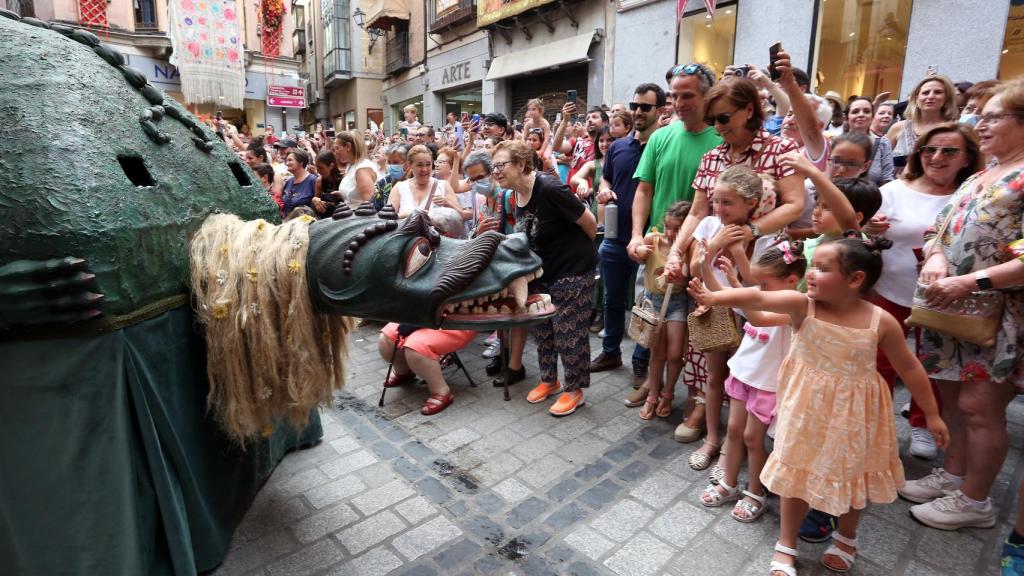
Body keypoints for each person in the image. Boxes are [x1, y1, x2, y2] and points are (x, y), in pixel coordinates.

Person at [688, 235, 947, 576]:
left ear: (855, 279)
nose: (810, 274)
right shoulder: (802, 306)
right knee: (795, 474)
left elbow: (910, 367)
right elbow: (756, 296)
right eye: (813, 266)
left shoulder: (879, 321)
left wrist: (931, 414)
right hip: (805, 409)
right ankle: (786, 545)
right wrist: (715, 295)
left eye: (823, 269)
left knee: (851, 476)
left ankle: (846, 538)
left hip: (856, 413)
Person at [901, 80, 1024, 531]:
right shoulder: (982, 174)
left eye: (994, 117)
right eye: (982, 115)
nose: (982, 123)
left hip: (995, 314)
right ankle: (953, 475)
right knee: (950, 397)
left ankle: (976, 500)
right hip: (945, 308)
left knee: (979, 407)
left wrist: (970, 280)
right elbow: (941, 229)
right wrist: (935, 256)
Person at [867, 123, 984, 459]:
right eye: (929, 150)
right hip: (889, 290)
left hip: (942, 297)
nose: (936, 157)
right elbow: (866, 235)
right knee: (879, 362)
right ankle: (873, 425)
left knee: (931, 364)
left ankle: (922, 424)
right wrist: (870, 229)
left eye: (949, 151)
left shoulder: (971, 194)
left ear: (966, 157)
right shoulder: (893, 190)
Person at [628, 64, 722, 403]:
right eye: (674, 96)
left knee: (693, 333)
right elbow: (644, 191)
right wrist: (637, 235)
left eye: (688, 95)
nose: (679, 103)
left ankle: (690, 397)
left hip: (700, 255)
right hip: (657, 249)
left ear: (707, 96)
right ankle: (651, 387)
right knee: (650, 325)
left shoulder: (721, 140)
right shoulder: (660, 137)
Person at [697, 237, 806, 525]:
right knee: (734, 430)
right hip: (745, 371)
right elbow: (733, 299)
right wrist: (716, 272)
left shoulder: (794, 307)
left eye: (765, 284)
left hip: (768, 381)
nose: (760, 289)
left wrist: (735, 288)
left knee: (752, 438)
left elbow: (756, 316)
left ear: (792, 280)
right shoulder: (764, 293)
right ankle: (730, 483)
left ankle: (756, 491)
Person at [492, 140, 598, 416]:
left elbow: (590, 224)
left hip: (573, 270)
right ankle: (550, 380)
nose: (496, 172)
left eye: (501, 165)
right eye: (494, 167)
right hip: (541, 271)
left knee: (568, 332)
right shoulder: (514, 194)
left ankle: (575, 390)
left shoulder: (551, 188)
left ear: (522, 164)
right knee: (542, 328)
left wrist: (574, 257)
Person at [685, 165, 778, 473]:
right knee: (714, 379)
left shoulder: (764, 236)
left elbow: (758, 285)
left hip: (748, 319)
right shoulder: (710, 225)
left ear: (751, 203)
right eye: (717, 201)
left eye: (728, 203)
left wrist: (737, 250)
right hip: (715, 312)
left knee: (740, 384)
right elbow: (693, 270)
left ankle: (730, 446)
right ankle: (712, 439)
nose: (720, 209)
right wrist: (713, 245)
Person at [589, 83, 668, 377]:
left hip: (649, 243)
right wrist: (604, 191)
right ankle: (610, 353)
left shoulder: (663, 147)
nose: (638, 112)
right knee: (611, 300)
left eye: (645, 107)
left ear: (659, 110)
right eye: (635, 105)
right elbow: (606, 179)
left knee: (645, 305)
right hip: (614, 237)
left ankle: (640, 361)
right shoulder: (618, 146)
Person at [632, 201, 691, 421]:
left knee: (675, 354)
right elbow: (636, 255)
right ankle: (653, 396)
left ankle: (669, 393)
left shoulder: (687, 247)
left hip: (677, 301)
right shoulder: (654, 239)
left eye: (677, 229)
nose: (670, 233)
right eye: (668, 226)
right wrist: (638, 251)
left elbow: (689, 276)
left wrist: (682, 275)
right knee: (657, 354)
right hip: (653, 302)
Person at [888, 75, 959, 173]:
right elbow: (883, 165)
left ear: (946, 98)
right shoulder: (898, 128)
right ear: (916, 99)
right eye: (925, 93)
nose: (930, 96)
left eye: (938, 92)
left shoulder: (954, 130)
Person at [388, 145, 461, 219]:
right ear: (410, 165)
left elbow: (459, 218)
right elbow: (388, 219)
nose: (424, 169)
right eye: (420, 165)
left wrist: (449, 204)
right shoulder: (399, 188)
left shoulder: (443, 186)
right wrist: (406, 215)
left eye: (428, 164)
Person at [846, 97, 894, 186]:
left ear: (872, 117)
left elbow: (887, 179)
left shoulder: (883, 143)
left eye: (866, 111)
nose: (861, 114)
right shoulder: (835, 142)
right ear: (846, 117)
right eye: (855, 111)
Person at [553, 105, 608, 183]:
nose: (589, 120)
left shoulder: (607, 145)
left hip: (592, 193)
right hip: (571, 193)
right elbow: (556, 147)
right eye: (588, 118)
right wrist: (565, 120)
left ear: (605, 122)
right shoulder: (577, 141)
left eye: (594, 117)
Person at [334, 131, 379, 204]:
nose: (335, 152)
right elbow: (355, 193)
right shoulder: (351, 166)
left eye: (337, 148)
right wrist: (342, 193)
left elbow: (369, 203)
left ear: (348, 146)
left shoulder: (362, 170)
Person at [279, 150, 318, 218]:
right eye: (286, 161)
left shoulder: (313, 180)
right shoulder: (288, 181)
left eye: (290, 160)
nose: (287, 163)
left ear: (301, 162)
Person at [371, 143, 408, 211]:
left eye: (396, 162)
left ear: (408, 163)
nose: (391, 166)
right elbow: (374, 209)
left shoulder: (417, 184)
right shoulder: (381, 184)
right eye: (389, 162)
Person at [311, 149, 343, 218]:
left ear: (331, 166)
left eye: (321, 168)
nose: (318, 171)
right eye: (316, 167)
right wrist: (315, 200)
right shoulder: (319, 180)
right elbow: (316, 199)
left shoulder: (344, 179)